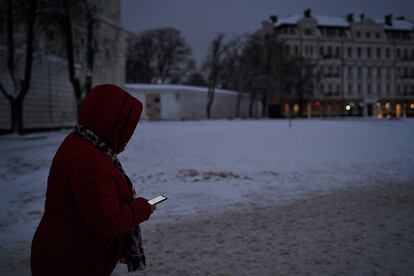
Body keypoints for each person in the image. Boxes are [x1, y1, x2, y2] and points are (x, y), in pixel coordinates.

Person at [31, 84, 154, 276]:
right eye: (127, 127)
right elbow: (107, 221)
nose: (129, 135)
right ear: (112, 122)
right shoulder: (91, 162)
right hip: (71, 261)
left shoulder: (82, 141)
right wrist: (143, 208)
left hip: (63, 251)